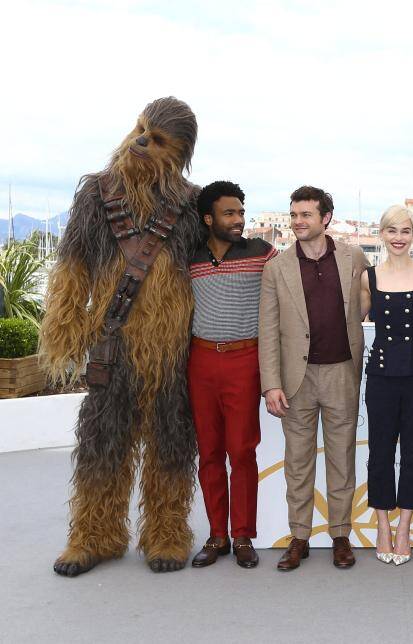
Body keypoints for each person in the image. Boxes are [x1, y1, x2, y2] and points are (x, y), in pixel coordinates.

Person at [41, 97, 202, 576]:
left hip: (175, 354)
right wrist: (65, 330)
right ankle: (94, 536)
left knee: (173, 447)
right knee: (101, 447)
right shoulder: (97, 194)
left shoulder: (192, 205)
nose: (139, 142)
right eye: (140, 128)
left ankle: (167, 533)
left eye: (156, 140)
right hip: (115, 346)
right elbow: (73, 266)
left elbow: (214, 272)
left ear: (179, 155)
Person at [258, 186, 369, 571]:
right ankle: (299, 538)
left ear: (326, 219)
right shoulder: (277, 267)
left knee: (342, 460)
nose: (297, 222)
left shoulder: (354, 257)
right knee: (298, 463)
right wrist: (270, 383)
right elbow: (268, 329)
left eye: (305, 215)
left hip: (342, 373)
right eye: (293, 215)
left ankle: (341, 536)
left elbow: (378, 297)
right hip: (295, 380)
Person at [188, 181, 277, 569]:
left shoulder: (262, 253)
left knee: (241, 451)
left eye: (241, 212)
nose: (239, 219)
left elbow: (297, 283)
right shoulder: (189, 257)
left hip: (245, 360)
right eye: (230, 213)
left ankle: (242, 535)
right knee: (208, 452)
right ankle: (216, 535)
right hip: (201, 361)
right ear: (209, 218)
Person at [359, 205, 413, 566]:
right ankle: (382, 525)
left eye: (405, 231)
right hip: (379, 376)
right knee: (379, 452)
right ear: (381, 234)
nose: (398, 237)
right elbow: (357, 321)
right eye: (391, 230)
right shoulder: (368, 277)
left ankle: (405, 526)